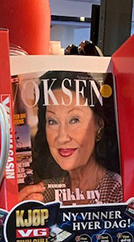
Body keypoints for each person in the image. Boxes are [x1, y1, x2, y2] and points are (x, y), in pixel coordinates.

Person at [18, 71, 121, 206]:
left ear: (99, 126)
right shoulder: (45, 191)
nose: (62, 138)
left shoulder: (117, 192)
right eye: (52, 121)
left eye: (74, 120)